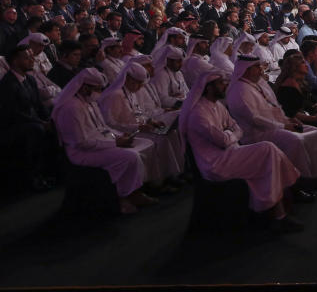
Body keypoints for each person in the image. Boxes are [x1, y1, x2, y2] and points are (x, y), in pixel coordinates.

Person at [179, 70, 304, 233]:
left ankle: (276, 213)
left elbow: (236, 129)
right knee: (268, 149)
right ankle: (283, 201)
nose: (225, 85)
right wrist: (230, 134)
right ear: (208, 88)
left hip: (230, 153)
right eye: (220, 83)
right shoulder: (198, 113)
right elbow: (223, 140)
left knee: (269, 156)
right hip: (216, 164)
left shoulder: (217, 105)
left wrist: (228, 133)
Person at [51, 68, 159, 214]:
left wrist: (119, 136)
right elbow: (80, 142)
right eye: (97, 89)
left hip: (101, 142)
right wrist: (115, 143)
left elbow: (103, 127)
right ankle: (125, 196)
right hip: (82, 152)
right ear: (84, 87)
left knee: (145, 144)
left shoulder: (90, 102)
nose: (100, 92)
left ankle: (137, 190)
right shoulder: (71, 108)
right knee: (129, 157)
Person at [225, 55, 317, 194]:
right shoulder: (239, 90)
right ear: (247, 70)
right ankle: (297, 183)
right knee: (295, 140)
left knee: (316, 133)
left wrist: (288, 119)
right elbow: (255, 119)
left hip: (278, 124)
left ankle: (315, 176)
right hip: (257, 133)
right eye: (257, 67)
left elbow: (275, 106)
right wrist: (283, 126)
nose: (261, 70)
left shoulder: (257, 83)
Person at [98, 58, 184, 189]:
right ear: (127, 79)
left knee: (169, 134)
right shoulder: (115, 95)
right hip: (123, 134)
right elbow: (111, 123)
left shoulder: (130, 93)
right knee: (160, 140)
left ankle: (171, 175)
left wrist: (150, 121)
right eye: (137, 83)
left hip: (138, 129)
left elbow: (138, 113)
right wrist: (137, 127)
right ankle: (156, 182)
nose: (139, 87)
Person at [0, 45, 58, 191]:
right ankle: (33, 178)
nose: (32, 60)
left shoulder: (30, 80)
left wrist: (49, 119)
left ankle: (54, 171)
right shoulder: (7, 84)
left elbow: (39, 105)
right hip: (15, 125)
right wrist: (42, 123)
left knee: (56, 121)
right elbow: (15, 113)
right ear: (14, 61)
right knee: (36, 130)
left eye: (32, 56)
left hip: (31, 121)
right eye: (27, 57)